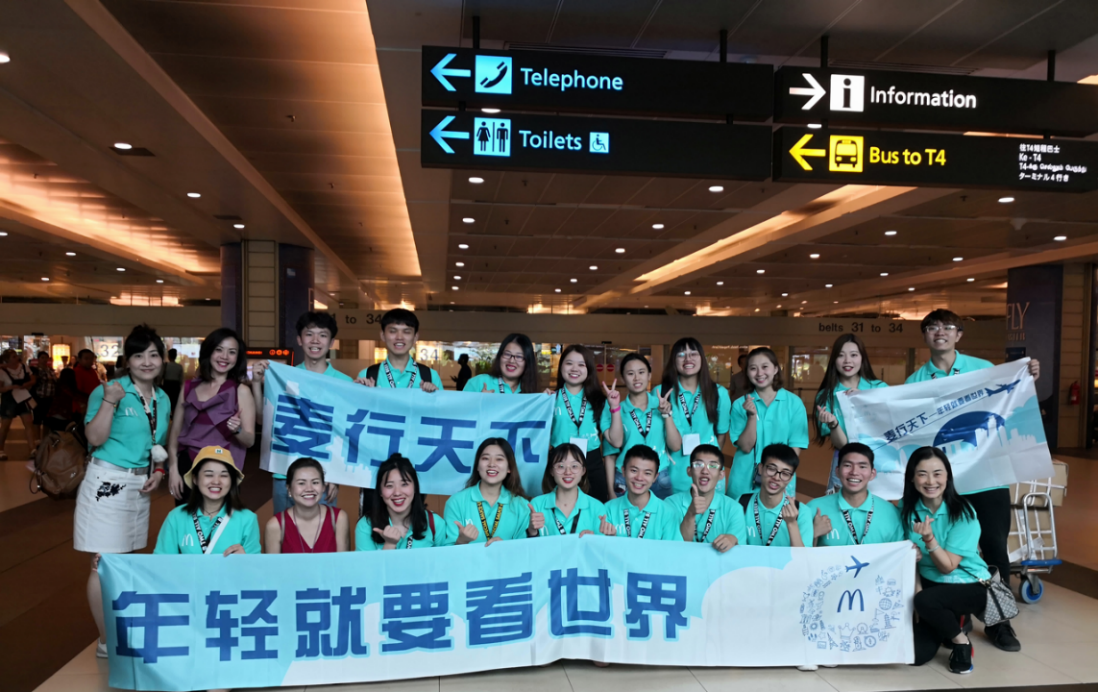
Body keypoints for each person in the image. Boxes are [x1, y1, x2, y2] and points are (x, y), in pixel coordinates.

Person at [906, 308, 1039, 653]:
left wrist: (1027, 377)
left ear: (959, 334)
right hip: (939, 484)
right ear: (925, 335)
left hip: (986, 476)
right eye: (932, 327)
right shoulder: (914, 382)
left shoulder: (984, 370)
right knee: (938, 546)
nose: (940, 332)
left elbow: (1011, 398)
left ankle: (999, 623)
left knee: (994, 547)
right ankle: (950, 612)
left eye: (948, 327)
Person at [75, 325, 170, 658]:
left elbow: (156, 443)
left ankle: (120, 631)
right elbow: (95, 438)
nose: (147, 362)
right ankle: (106, 641)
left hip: (139, 486)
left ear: (162, 359)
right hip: (108, 481)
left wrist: (158, 471)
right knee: (103, 564)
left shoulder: (162, 398)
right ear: (127, 360)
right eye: (138, 355)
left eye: (153, 355)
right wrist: (109, 402)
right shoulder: (110, 390)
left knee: (124, 560)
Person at [902, 447, 990, 675]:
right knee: (916, 656)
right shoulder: (906, 509)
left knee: (927, 601)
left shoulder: (963, 511)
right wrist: (917, 594)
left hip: (969, 585)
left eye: (937, 474)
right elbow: (908, 557)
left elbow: (947, 566)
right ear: (911, 478)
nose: (930, 481)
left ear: (948, 477)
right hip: (929, 587)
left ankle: (961, 642)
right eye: (922, 474)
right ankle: (945, 619)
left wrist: (929, 539)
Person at [251, 311, 346, 513]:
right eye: (309, 334)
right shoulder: (283, 378)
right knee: (285, 531)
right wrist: (256, 384)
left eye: (322, 335)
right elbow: (261, 420)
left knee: (323, 532)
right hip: (286, 473)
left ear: (331, 342)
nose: (315, 340)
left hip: (325, 476)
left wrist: (336, 475)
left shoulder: (344, 383)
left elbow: (345, 436)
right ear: (299, 339)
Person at [167, 328, 256, 506]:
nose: (225, 357)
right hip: (187, 468)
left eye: (232, 352)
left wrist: (237, 430)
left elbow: (249, 441)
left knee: (220, 522)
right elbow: (175, 433)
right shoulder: (188, 387)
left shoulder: (241, 391)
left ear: (238, 358)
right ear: (209, 351)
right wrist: (173, 470)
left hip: (222, 472)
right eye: (219, 350)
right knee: (186, 521)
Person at [727, 347, 809, 501]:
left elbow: (795, 448)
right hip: (744, 480)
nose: (759, 373)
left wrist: (779, 474)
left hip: (779, 479)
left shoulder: (794, 403)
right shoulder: (739, 404)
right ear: (747, 372)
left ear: (775, 369)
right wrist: (752, 417)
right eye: (753, 368)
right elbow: (745, 447)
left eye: (765, 367)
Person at [655, 338, 731, 495]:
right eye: (681, 354)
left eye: (693, 354)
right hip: (673, 473)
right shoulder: (661, 393)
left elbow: (721, 435)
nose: (688, 359)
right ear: (674, 360)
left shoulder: (718, 393)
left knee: (711, 511)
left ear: (702, 358)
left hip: (709, 474)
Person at [153, 445, 261, 556]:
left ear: (231, 481)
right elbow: (161, 562)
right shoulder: (176, 517)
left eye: (224, 475)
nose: (216, 481)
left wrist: (245, 560)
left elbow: (255, 565)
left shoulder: (248, 519)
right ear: (195, 479)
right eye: (209, 475)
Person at [813, 335, 888, 493]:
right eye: (841, 355)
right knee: (840, 505)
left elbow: (891, 421)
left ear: (862, 358)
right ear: (834, 360)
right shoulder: (826, 396)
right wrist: (833, 424)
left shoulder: (879, 388)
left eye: (854, 355)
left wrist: (865, 399)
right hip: (845, 461)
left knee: (877, 505)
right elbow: (842, 445)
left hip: (879, 459)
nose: (847, 361)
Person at [601, 353, 679, 500]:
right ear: (623, 378)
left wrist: (667, 414)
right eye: (630, 373)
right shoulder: (614, 408)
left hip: (659, 477)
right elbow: (611, 454)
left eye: (641, 372)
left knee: (660, 515)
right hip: (626, 478)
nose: (636, 378)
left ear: (649, 375)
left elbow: (675, 446)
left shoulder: (662, 405)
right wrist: (610, 491)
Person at [807, 442, 902, 547]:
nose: (854, 472)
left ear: (872, 474)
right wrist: (813, 535)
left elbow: (901, 553)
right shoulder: (813, 508)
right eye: (848, 465)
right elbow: (798, 553)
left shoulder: (892, 513)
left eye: (862, 466)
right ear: (837, 471)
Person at [548, 345, 609, 501]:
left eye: (581, 364)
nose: (575, 368)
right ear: (561, 367)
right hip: (559, 461)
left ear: (589, 369)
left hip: (592, 461)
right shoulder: (550, 399)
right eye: (569, 363)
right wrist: (541, 403)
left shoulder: (600, 401)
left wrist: (614, 408)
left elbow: (615, 441)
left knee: (596, 509)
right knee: (559, 508)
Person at [444, 437, 531, 545]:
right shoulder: (456, 502)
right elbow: (446, 552)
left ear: (509, 468)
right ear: (477, 466)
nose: (491, 464)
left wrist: (506, 548)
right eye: (485, 458)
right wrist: (462, 541)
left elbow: (525, 551)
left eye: (499, 459)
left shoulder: (522, 506)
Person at [666, 444, 745, 551]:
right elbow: (675, 548)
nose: (705, 471)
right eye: (698, 464)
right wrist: (690, 514)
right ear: (689, 471)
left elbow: (739, 553)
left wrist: (732, 539)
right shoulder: (670, 504)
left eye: (713, 466)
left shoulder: (734, 509)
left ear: (721, 475)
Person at [357, 454, 444, 550]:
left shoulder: (435, 523)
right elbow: (366, 561)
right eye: (389, 486)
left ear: (415, 487)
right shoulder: (366, 525)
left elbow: (447, 559)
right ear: (380, 491)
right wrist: (389, 544)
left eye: (404, 484)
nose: (397, 493)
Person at [599, 445, 682, 541]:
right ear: (623, 471)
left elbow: (672, 549)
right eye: (634, 470)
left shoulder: (668, 513)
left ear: (655, 477)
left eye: (647, 473)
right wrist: (610, 540)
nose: (639, 478)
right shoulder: (608, 509)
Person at [266, 457, 349, 553]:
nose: (309, 488)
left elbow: (343, 562)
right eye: (301, 483)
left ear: (323, 487)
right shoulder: (275, 525)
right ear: (289, 489)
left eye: (315, 482)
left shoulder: (339, 519)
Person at [739, 444, 812, 548]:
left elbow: (802, 557)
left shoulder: (802, 512)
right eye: (772, 469)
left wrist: (792, 523)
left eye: (785, 473)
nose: (777, 477)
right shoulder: (741, 503)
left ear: (791, 478)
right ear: (761, 468)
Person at [528, 443, 606, 537]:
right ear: (551, 471)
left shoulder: (597, 507)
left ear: (583, 471)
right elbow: (524, 545)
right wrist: (532, 531)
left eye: (574, 466)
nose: (568, 472)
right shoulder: (536, 505)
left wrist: (595, 540)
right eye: (561, 466)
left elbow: (603, 545)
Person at [356, 308, 443, 391]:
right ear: (383, 335)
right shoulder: (366, 375)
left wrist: (435, 396)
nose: (399, 337)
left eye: (407, 332)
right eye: (392, 331)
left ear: (415, 337)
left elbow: (441, 402)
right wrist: (363, 394)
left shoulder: (431, 376)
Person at [463, 333, 539, 394]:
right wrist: (479, 402)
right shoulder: (478, 382)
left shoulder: (529, 391)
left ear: (528, 362)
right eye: (507, 354)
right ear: (500, 356)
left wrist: (544, 399)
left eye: (519, 356)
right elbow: (460, 408)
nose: (511, 361)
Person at [0, 349, 37, 460]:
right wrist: (11, 387)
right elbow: (1, 388)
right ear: (7, 360)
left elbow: (33, 379)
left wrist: (27, 384)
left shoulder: (24, 367)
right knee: (5, 426)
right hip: (9, 400)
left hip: (23, 397)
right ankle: (1, 449)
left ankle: (32, 449)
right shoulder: (2, 371)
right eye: (13, 356)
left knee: (28, 424)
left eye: (16, 355)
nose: (17, 358)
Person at [31, 350, 56, 441]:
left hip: (49, 397)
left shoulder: (50, 370)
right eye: (42, 358)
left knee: (47, 419)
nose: (44, 360)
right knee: (37, 418)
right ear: (38, 359)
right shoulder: (35, 370)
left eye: (46, 358)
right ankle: (37, 439)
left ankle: (45, 438)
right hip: (39, 397)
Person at [162, 347, 184, 414]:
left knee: (166, 403)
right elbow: (181, 380)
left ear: (168, 356)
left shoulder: (165, 366)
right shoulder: (179, 367)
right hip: (176, 387)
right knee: (175, 404)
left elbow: (160, 377)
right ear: (176, 356)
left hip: (167, 386)